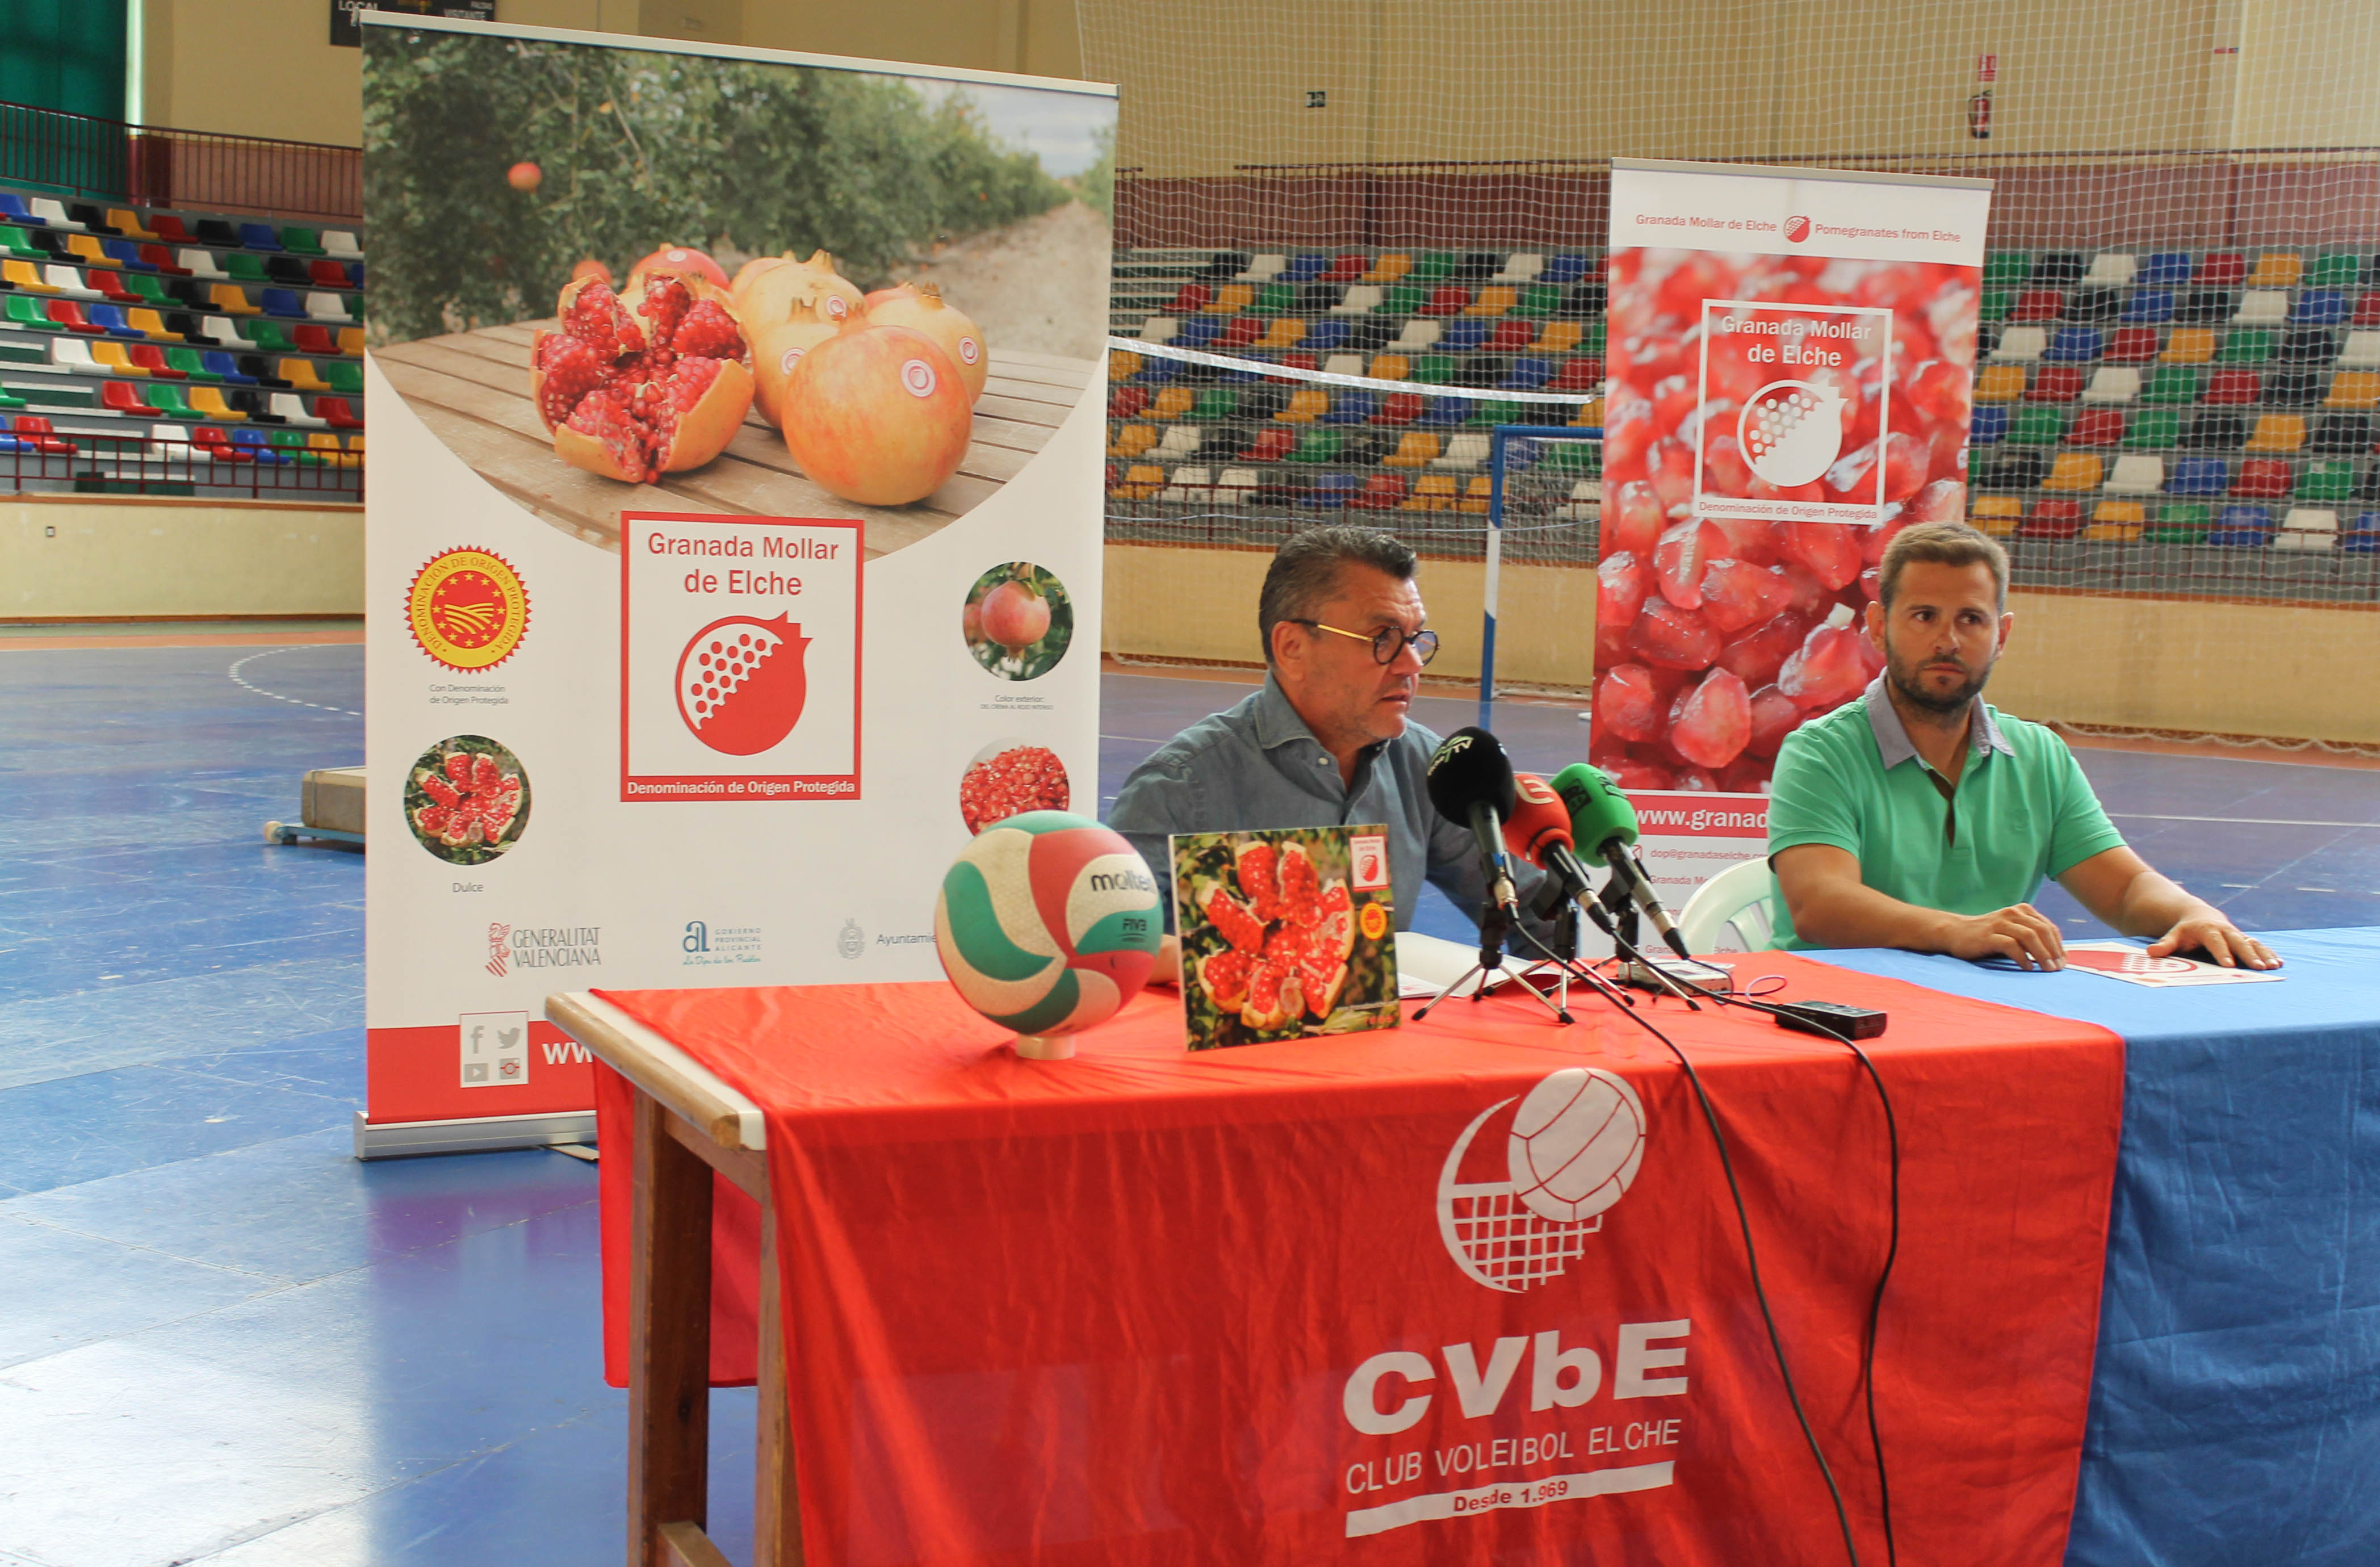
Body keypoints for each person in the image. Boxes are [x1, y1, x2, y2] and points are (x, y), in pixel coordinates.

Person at [1766, 520, 2280, 971]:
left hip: (1984, 1016)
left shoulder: (2040, 757)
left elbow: (2124, 889)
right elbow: (1820, 905)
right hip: (1832, 1016)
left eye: (1971, 619)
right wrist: (1954, 932)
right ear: (1879, 627)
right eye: (1924, 616)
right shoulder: (1820, 752)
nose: (1947, 641)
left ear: (2002, 634)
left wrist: (2194, 915)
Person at [1109, 525, 1549, 981]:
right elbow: (1110, 944)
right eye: (1383, 637)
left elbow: (1531, 909)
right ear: (1292, 648)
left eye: (1416, 638)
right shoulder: (1180, 788)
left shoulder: (1429, 767)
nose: (1412, 664)